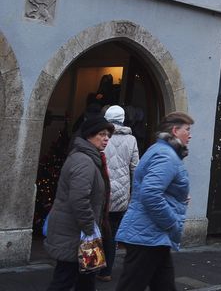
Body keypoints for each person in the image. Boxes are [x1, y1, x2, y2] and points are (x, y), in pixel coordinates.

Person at [115, 112, 193, 290]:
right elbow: (150, 194)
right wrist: (171, 223)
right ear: (175, 131)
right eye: (187, 130)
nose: (190, 134)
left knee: (164, 285)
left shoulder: (163, 151)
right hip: (148, 235)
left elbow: (155, 189)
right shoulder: (166, 155)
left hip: (154, 236)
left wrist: (177, 198)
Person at [45, 114, 114, 291]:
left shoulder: (89, 157)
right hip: (76, 235)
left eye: (108, 135)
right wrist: (90, 228)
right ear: (89, 135)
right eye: (102, 134)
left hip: (81, 235)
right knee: (65, 279)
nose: (106, 139)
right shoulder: (84, 161)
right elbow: (79, 199)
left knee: (86, 279)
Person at [97, 106, 139, 282]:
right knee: (112, 235)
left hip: (101, 192)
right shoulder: (131, 140)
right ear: (123, 119)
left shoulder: (102, 136)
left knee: (95, 231)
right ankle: (106, 272)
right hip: (120, 195)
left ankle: (91, 266)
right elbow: (136, 168)